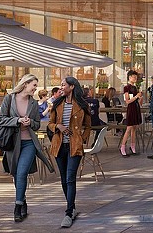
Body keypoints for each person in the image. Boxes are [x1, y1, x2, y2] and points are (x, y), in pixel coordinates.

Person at [0, 73, 53, 222]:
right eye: (34, 85)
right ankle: (23, 201)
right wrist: (18, 120)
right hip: (13, 144)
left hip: (29, 143)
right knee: (16, 174)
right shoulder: (9, 99)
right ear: (25, 84)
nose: (36, 89)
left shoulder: (33, 103)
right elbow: (1, 119)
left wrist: (30, 123)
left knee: (22, 173)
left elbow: (37, 124)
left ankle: (17, 207)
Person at [48, 76, 92, 228]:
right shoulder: (57, 104)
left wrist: (82, 138)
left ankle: (68, 213)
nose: (61, 87)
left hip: (74, 145)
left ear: (72, 87)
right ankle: (72, 207)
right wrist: (57, 127)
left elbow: (88, 125)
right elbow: (50, 124)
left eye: (63, 85)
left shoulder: (82, 105)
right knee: (63, 179)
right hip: (59, 145)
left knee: (70, 178)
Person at [119, 70, 142, 157]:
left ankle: (133, 147)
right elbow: (127, 101)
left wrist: (140, 98)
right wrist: (136, 96)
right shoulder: (126, 88)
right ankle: (122, 147)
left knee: (134, 128)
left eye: (136, 77)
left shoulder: (135, 88)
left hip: (136, 108)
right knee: (129, 128)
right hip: (131, 109)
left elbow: (137, 101)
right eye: (134, 77)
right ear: (129, 77)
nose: (135, 78)